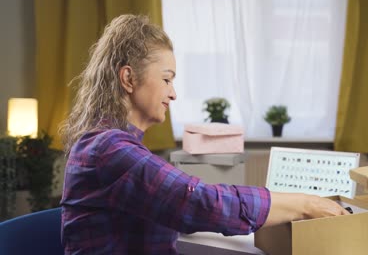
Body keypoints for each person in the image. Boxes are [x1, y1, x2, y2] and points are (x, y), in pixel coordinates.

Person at [59, 14, 349, 254]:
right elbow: (198, 201)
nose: (173, 94)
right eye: (166, 79)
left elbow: (182, 203)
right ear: (128, 78)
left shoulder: (111, 144)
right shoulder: (110, 150)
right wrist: (306, 203)